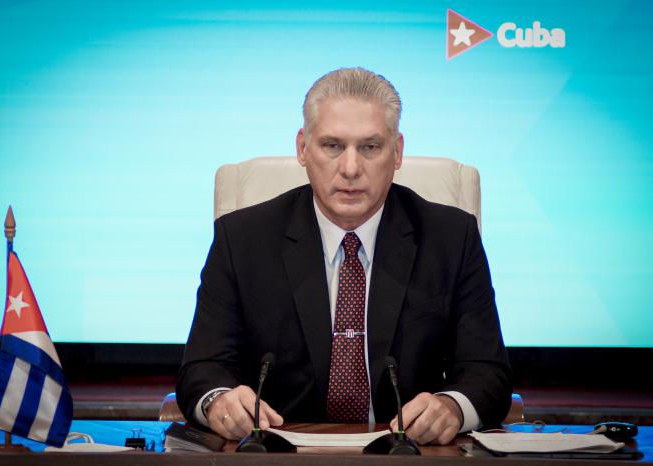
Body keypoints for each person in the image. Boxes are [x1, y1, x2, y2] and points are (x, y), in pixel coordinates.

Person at [177, 67, 512, 445]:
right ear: (303, 148)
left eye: (370, 147)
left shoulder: (450, 238)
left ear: (397, 152)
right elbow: (202, 369)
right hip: (276, 454)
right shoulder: (242, 238)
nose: (351, 169)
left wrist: (452, 407)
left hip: (407, 455)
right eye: (332, 146)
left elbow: (489, 373)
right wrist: (219, 401)